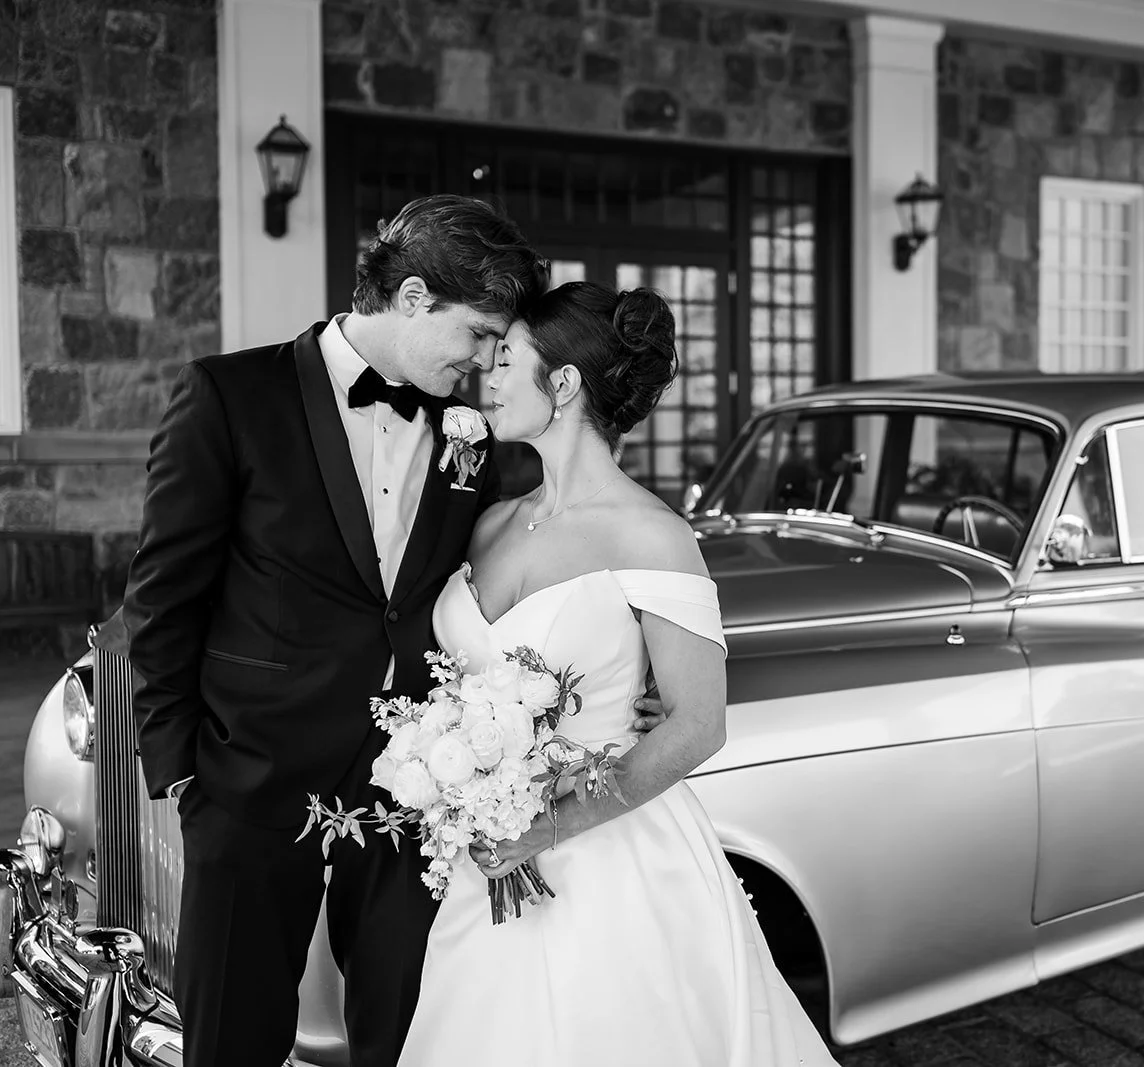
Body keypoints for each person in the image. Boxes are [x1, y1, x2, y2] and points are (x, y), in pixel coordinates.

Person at [123, 195, 550, 1067]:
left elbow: (521, 554)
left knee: (407, 1031)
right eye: (477, 333)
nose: (482, 362)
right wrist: (179, 780)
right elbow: (163, 598)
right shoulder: (230, 396)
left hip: (411, 790)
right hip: (247, 784)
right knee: (231, 1040)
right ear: (416, 298)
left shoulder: (466, 436)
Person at [396, 281, 839, 1066]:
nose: (484, 378)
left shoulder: (655, 536)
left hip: (612, 869)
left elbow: (700, 722)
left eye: (504, 361)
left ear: (562, 384)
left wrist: (545, 826)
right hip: (481, 863)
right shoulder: (491, 517)